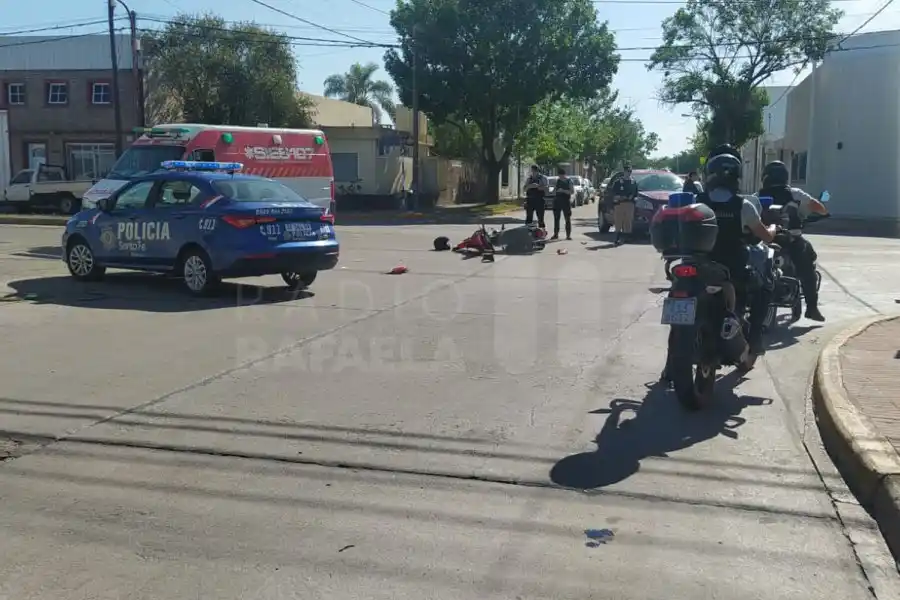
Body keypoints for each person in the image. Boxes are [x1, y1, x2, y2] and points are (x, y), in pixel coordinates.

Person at [696, 150, 777, 364]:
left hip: (699, 265)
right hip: (732, 268)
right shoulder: (744, 206)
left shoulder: (697, 202)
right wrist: (775, 228)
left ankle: (669, 365)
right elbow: (766, 237)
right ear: (736, 177)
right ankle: (755, 338)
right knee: (765, 286)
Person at [758, 160, 827, 321]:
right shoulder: (795, 193)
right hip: (791, 240)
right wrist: (820, 211)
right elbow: (819, 208)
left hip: (764, 239)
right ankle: (812, 308)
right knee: (807, 267)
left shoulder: (758, 195)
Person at [610, 165, 638, 245]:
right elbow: (613, 192)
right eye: (627, 171)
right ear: (624, 172)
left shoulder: (633, 182)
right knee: (619, 221)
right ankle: (617, 238)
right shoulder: (618, 182)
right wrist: (618, 197)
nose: (628, 173)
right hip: (620, 204)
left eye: (630, 171)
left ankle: (627, 237)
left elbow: (636, 193)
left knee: (628, 221)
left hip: (630, 204)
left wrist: (634, 197)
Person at [552, 166, 573, 240]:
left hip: (566, 201)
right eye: (559, 176)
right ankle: (556, 234)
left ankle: (568, 235)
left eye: (561, 175)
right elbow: (554, 190)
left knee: (567, 218)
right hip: (557, 201)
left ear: (564, 175)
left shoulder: (568, 181)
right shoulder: (557, 181)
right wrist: (554, 191)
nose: (560, 177)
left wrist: (563, 191)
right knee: (556, 218)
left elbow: (571, 191)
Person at [523, 165, 548, 229]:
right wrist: (530, 186)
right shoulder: (529, 179)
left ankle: (542, 232)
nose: (533, 172)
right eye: (532, 171)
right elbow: (524, 189)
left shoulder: (543, 178)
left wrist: (538, 187)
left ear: (537, 171)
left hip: (540, 199)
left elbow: (547, 188)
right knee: (529, 218)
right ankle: (528, 231)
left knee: (540, 218)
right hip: (530, 200)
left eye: (534, 171)